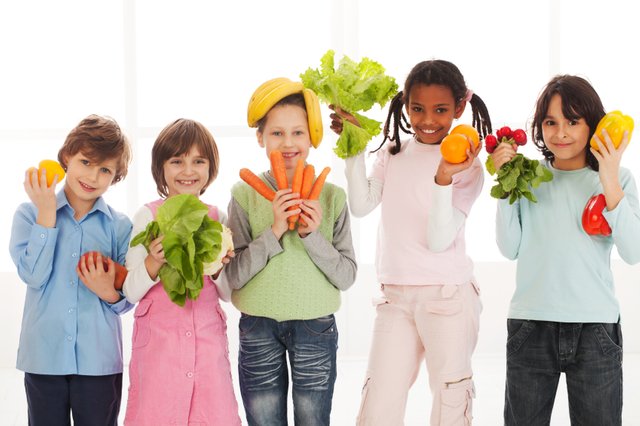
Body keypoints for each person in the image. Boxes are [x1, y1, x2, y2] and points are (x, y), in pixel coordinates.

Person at [330, 60, 492, 425]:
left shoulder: (468, 166)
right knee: (377, 406)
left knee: (450, 404)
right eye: (417, 109)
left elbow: (438, 240)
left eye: (440, 110)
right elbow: (360, 205)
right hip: (396, 297)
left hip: (447, 298)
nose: (428, 120)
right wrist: (353, 146)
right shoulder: (393, 152)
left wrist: (444, 177)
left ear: (459, 108)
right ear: (405, 104)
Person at [491, 75, 640, 425]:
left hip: (596, 329)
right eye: (550, 122)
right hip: (531, 325)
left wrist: (608, 177)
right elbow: (509, 248)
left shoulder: (619, 179)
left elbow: (633, 252)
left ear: (593, 123)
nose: (560, 133)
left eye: (573, 121)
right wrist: (505, 181)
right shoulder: (527, 176)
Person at [221, 77, 357, 425]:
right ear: (261, 137)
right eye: (277, 133)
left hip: (315, 325)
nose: (288, 143)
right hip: (258, 326)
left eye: (298, 132)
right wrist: (276, 229)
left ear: (312, 136)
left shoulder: (332, 197)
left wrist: (312, 234)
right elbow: (233, 275)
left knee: (313, 420)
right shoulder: (244, 194)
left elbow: (346, 276)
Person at [9, 114, 133, 426]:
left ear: (115, 176)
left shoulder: (120, 227)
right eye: (86, 162)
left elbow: (130, 295)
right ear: (67, 157)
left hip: (99, 363)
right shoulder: (29, 214)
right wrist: (48, 213)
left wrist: (108, 291)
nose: (92, 175)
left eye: (105, 169)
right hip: (43, 357)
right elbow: (33, 276)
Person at [121, 118, 241, 425]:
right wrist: (153, 262)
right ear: (161, 168)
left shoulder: (218, 218)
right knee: (157, 413)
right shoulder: (148, 216)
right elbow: (130, 292)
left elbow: (228, 294)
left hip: (207, 346)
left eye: (198, 161)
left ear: (210, 168)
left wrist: (217, 271)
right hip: (159, 349)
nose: (188, 171)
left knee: (212, 414)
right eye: (177, 161)